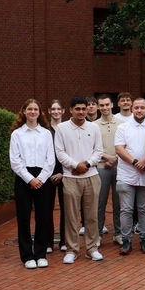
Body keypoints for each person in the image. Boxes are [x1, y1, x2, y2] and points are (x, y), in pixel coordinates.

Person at [54, 96, 104, 264]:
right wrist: (75, 165)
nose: (81, 112)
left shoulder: (94, 127)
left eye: (84, 109)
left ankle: (92, 248)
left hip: (92, 176)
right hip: (70, 178)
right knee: (71, 216)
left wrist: (87, 164)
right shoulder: (62, 128)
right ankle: (71, 249)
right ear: (71, 110)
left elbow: (98, 150)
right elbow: (60, 152)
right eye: (78, 109)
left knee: (92, 216)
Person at [9, 99, 55, 269]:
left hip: (43, 176)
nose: (33, 112)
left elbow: (50, 160)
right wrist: (30, 179)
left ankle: (41, 254)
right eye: (30, 109)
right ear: (24, 111)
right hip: (23, 178)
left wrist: (41, 179)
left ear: (39, 112)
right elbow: (15, 161)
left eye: (36, 109)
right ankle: (27, 256)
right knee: (24, 217)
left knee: (43, 216)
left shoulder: (46, 133)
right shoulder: (17, 134)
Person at [114, 98, 145, 255]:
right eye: (136, 107)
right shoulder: (123, 127)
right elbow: (119, 149)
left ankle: (144, 239)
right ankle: (126, 240)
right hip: (126, 174)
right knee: (126, 210)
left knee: (143, 209)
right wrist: (136, 162)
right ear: (132, 108)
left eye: (142, 107)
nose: (139, 110)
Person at [94, 94, 125, 245]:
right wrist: (107, 158)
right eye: (102, 105)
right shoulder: (93, 125)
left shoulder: (122, 123)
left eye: (107, 104)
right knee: (100, 202)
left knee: (119, 202)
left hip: (120, 166)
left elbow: (126, 145)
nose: (105, 108)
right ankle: (98, 233)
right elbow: (92, 147)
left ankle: (118, 233)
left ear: (112, 105)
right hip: (101, 167)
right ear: (98, 107)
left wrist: (115, 159)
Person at [47, 99, 66, 252]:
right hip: (48, 174)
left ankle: (64, 242)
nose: (56, 111)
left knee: (66, 209)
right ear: (49, 111)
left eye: (58, 109)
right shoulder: (44, 129)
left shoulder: (67, 129)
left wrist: (63, 173)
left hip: (65, 173)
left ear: (63, 111)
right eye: (53, 109)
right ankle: (48, 242)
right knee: (47, 208)